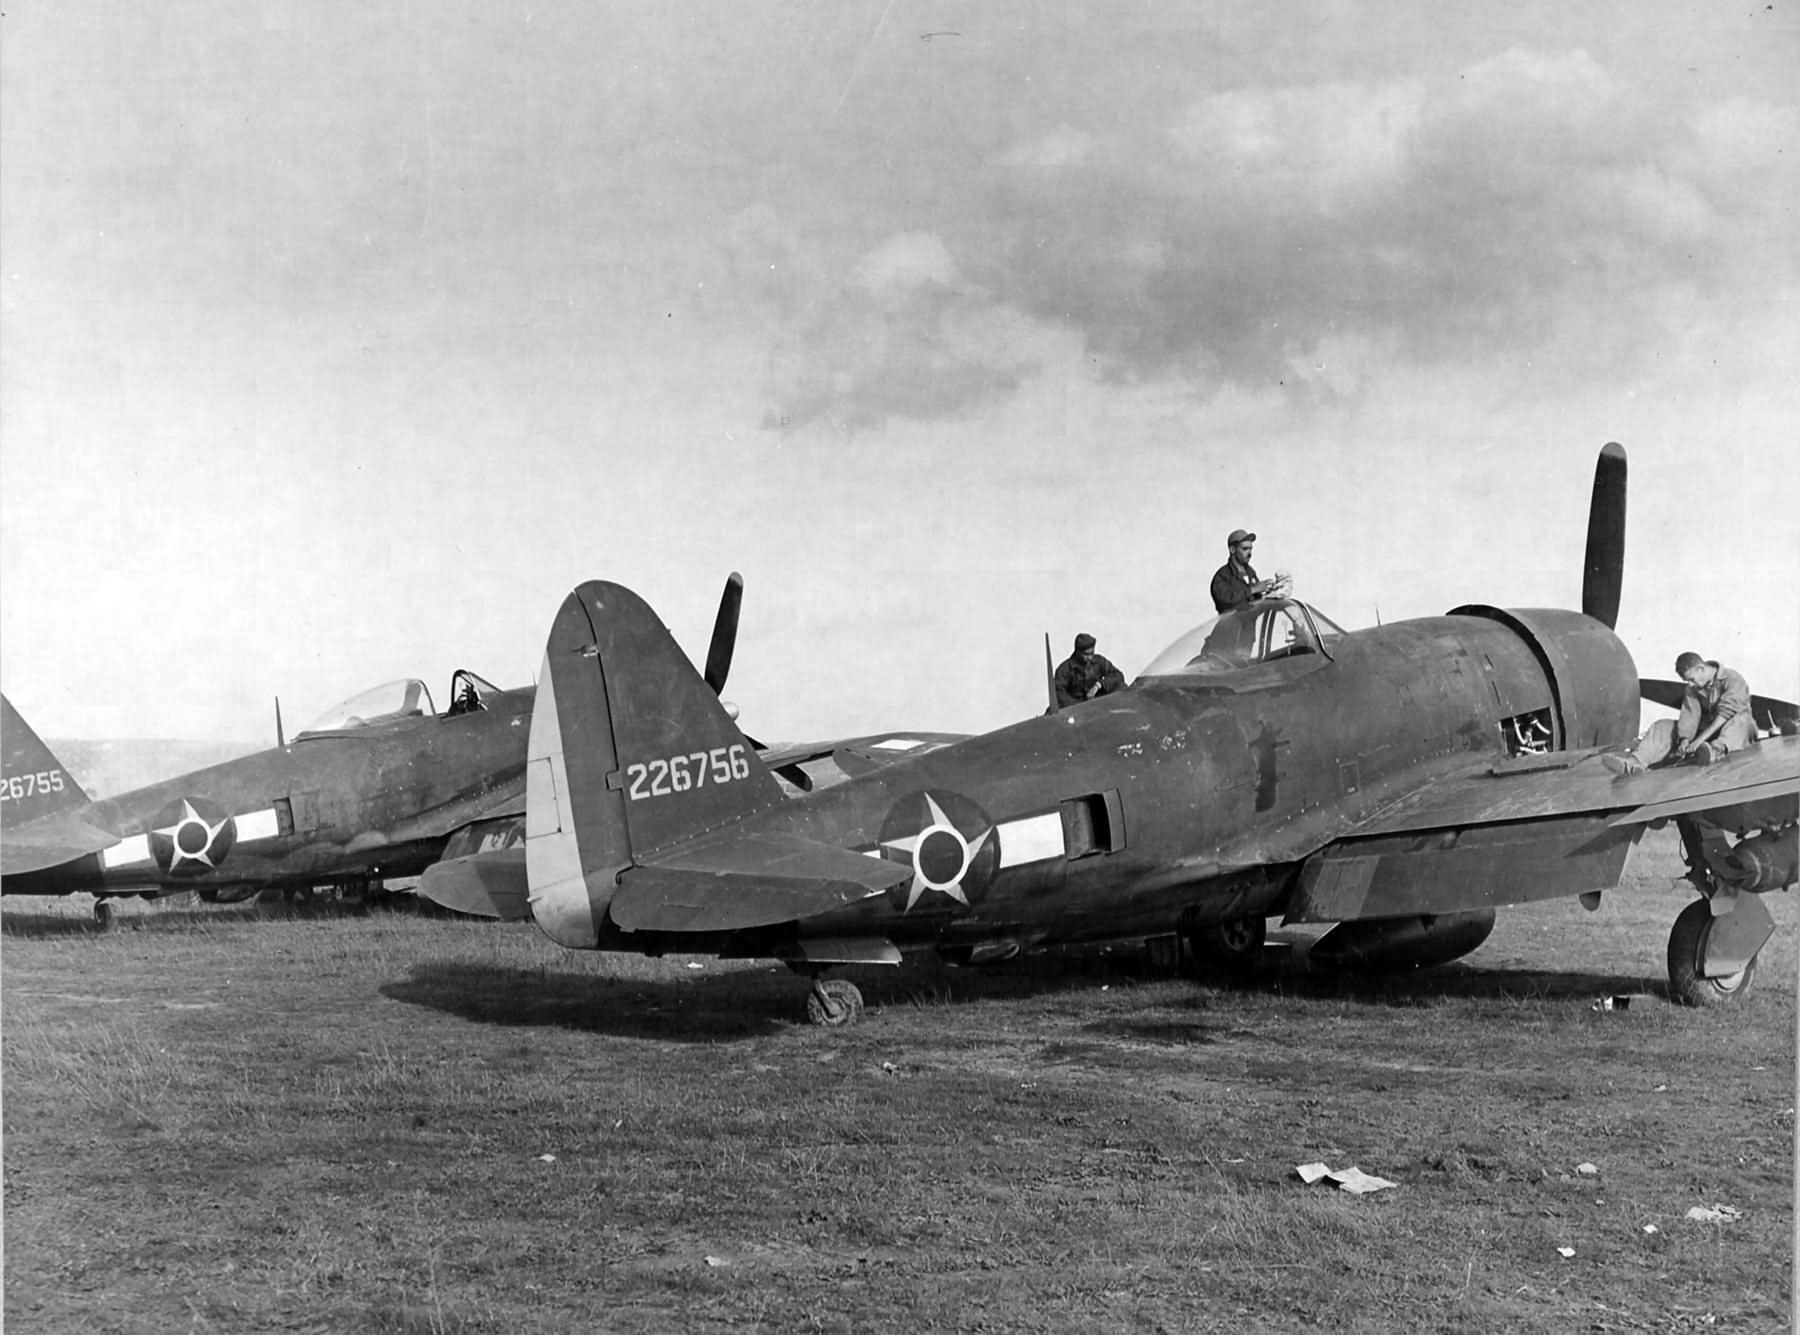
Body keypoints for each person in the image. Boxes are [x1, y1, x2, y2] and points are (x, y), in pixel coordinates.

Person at [1603, 652, 1755, 776]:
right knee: (1663, 726)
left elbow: (1725, 714)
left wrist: (1699, 741)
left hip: (1732, 730)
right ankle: (1635, 762)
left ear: (1701, 669)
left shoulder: (1733, 679)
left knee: (1739, 719)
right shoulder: (1693, 689)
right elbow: (1690, 715)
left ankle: (1715, 751)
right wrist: (1685, 739)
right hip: (1705, 735)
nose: (1689, 684)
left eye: (1691, 679)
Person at [1210, 530, 1289, 614]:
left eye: (1250, 549)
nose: (1249, 553)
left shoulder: (1250, 572)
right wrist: (1252, 590)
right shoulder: (1222, 576)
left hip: (1249, 626)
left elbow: (1255, 603)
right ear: (1232, 549)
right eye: (1245, 549)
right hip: (1229, 627)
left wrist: (1270, 594)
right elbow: (1224, 601)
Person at [1054, 633, 1125, 709]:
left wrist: (1099, 685)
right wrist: (1080, 706)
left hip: (1097, 700)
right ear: (1077, 652)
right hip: (1075, 706)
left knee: (1121, 687)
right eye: (1086, 654)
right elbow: (1059, 693)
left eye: (1092, 653)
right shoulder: (1064, 669)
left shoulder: (1099, 661)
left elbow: (1118, 675)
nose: (1090, 657)